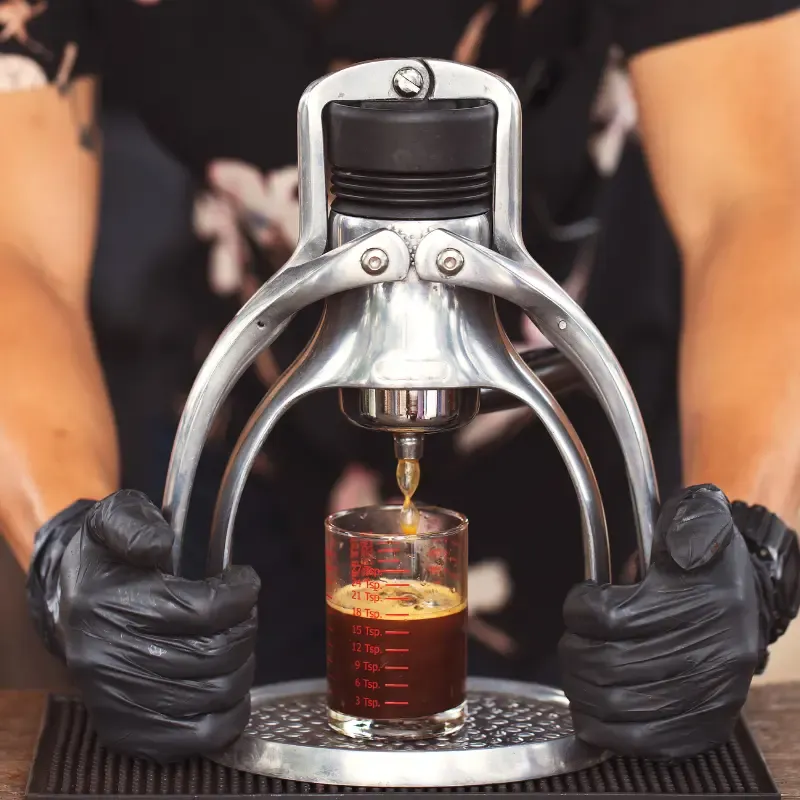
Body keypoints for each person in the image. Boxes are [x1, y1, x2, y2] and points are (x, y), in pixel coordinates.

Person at [2, 0, 800, 765]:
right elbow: (17, 244)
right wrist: (67, 556)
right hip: (254, 457)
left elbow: (757, 197)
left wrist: (742, 556)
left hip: (579, 476)